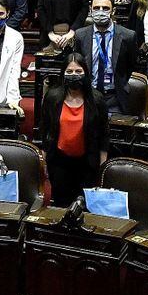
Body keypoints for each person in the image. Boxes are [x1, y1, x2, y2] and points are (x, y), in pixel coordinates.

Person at [35, 52, 108, 206]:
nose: (74, 75)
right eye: (69, 72)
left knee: (84, 207)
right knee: (61, 206)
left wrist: (102, 165)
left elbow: (103, 135)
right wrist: (44, 162)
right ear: (63, 74)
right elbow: (45, 130)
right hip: (59, 162)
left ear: (86, 74)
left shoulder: (97, 100)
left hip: (87, 164)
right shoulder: (53, 97)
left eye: (78, 71)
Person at [73, 0, 137, 116]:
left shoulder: (128, 36)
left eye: (105, 8)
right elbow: (78, 65)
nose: (100, 11)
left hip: (115, 97)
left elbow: (131, 65)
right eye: (96, 8)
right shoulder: (80, 35)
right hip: (88, 95)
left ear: (113, 11)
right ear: (91, 10)